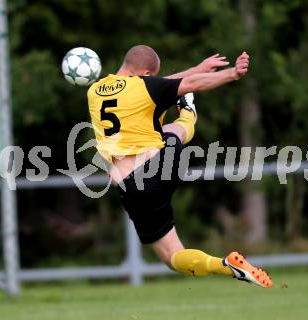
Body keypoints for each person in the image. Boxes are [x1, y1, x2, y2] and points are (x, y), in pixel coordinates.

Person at [87, 45, 272, 288]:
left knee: (172, 256)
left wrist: (195, 70)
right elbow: (185, 83)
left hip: (132, 188)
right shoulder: (145, 87)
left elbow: (158, 85)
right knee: (174, 129)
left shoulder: (95, 91)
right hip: (161, 164)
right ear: (144, 74)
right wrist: (232, 74)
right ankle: (187, 110)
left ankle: (223, 265)